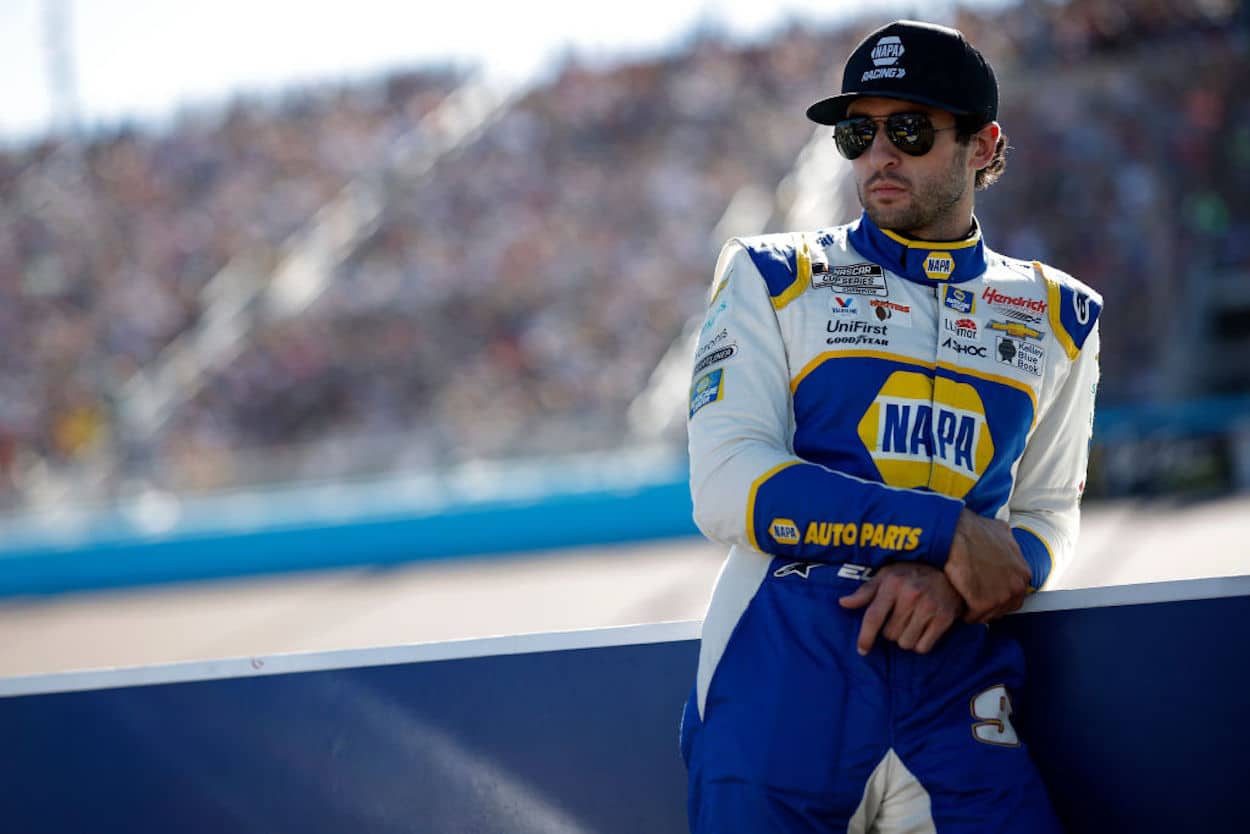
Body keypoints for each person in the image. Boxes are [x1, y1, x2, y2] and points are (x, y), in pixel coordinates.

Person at [679, 19, 1101, 834]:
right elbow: (726, 486)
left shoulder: (1061, 314)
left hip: (954, 674)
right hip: (781, 669)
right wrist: (942, 532)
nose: (880, 155)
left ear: (983, 145)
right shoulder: (772, 275)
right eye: (858, 132)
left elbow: (1047, 513)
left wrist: (950, 581)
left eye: (908, 129)